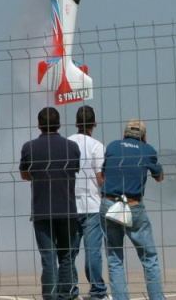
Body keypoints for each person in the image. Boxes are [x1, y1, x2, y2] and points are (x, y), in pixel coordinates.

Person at [20, 107, 81, 300]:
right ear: (59, 124)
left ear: (39, 125)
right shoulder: (72, 147)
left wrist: (39, 175)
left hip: (42, 210)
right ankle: (65, 296)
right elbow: (74, 169)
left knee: (48, 258)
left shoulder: (29, 147)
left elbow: (24, 174)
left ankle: (50, 297)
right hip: (67, 209)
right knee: (66, 256)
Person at [100, 119, 165, 300]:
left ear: (124, 134)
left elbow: (103, 174)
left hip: (109, 204)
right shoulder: (148, 150)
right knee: (149, 258)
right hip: (134, 205)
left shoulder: (112, 146)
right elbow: (159, 177)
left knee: (114, 259)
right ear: (143, 136)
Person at [68, 105, 108, 299]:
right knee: (93, 252)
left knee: (69, 252)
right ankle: (97, 291)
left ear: (76, 123)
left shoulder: (67, 143)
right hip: (92, 205)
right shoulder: (97, 146)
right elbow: (100, 179)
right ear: (94, 124)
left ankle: (70, 289)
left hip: (70, 205)